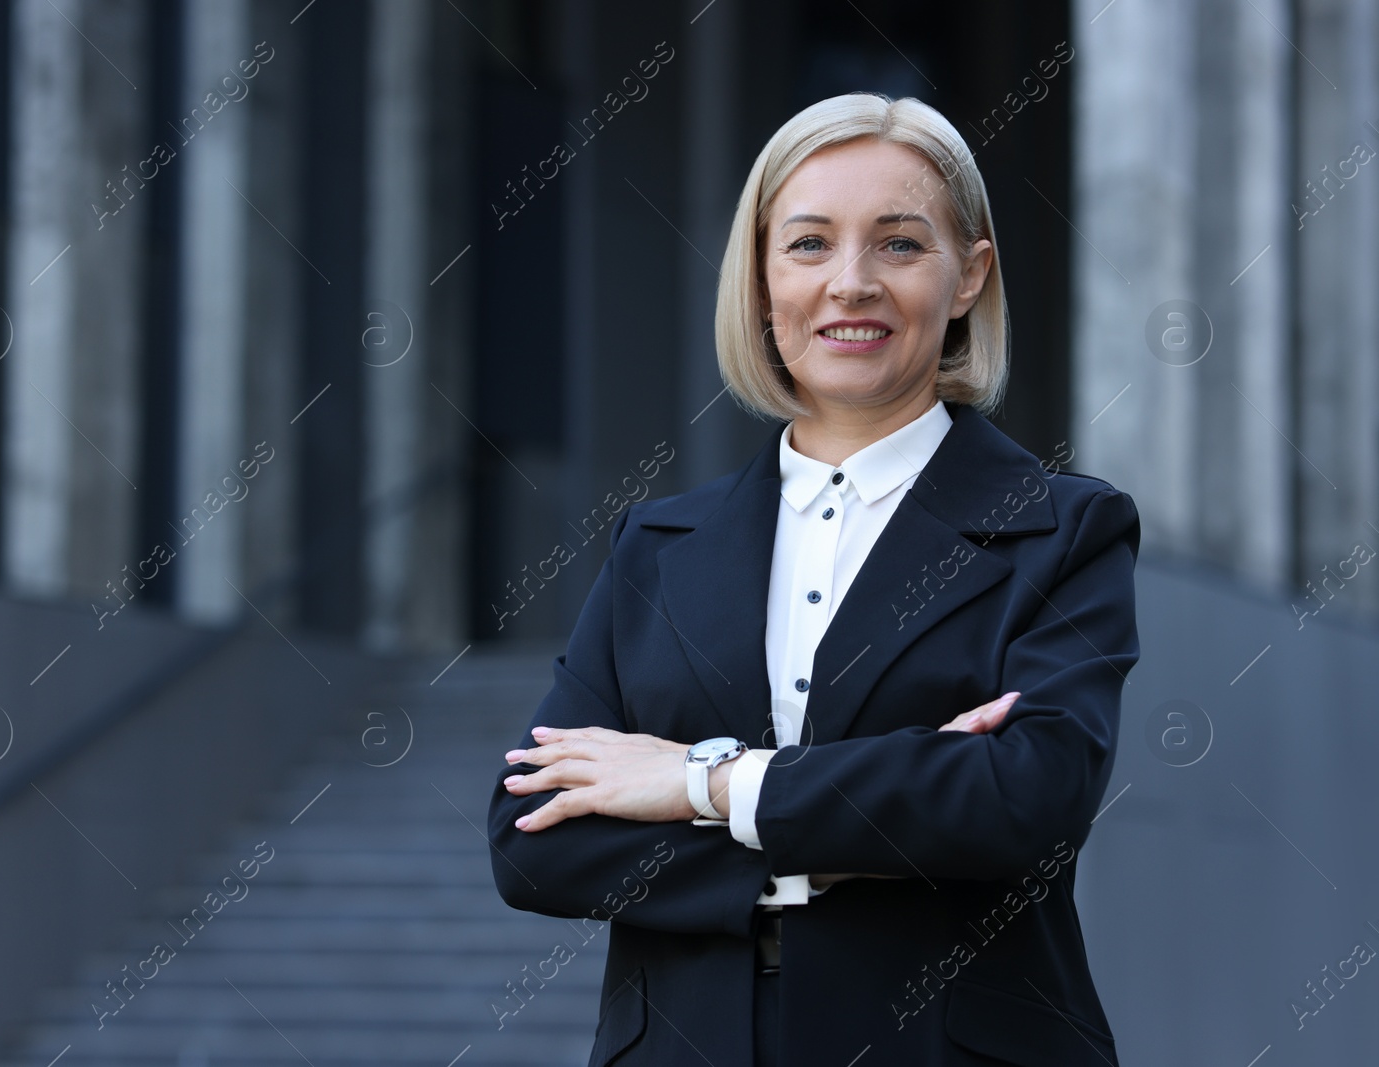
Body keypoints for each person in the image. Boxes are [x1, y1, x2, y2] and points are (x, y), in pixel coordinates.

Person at [486, 91, 1139, 1067]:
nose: (851, 281)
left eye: (899, 244)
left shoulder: (1063, 530)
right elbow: (533, 839)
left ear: (967, 276)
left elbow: (1024, 796)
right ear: (757, 280)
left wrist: (695, 779)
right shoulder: (656, 544)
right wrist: (881, 813)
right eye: (806, 243)